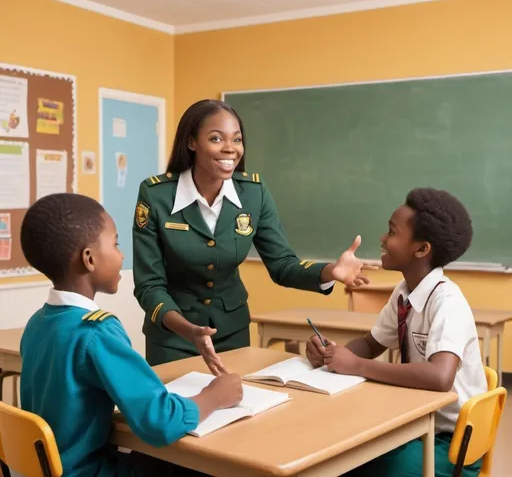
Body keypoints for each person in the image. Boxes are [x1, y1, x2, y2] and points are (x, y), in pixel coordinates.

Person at [133, 99, 373, 371]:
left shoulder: (253, 193)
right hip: (173, 337)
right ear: (191, 143)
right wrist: (188, 329)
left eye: (237, 140)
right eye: (216, 138)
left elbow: (282, 265)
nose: (230, 149)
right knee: (178, 410)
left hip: (232, 335)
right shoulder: (156, 196)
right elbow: (149, 286)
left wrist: (330, 270)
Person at [19, 193, 242, 477]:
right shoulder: (96, 332)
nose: (122, 254)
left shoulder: (39, 322)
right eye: (115, 244)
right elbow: (160, 422)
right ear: (89, 259)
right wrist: (214, 396)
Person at [306, 188, 487, 476]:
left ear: (421, 249)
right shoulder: (404, 292)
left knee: (367, 467)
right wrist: (331, 354)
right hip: (415, 425)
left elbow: (440, 377)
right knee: (340, 455)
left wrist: (356, 366)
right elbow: (370, 344)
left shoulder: (447, 301)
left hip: (451, 444)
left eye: (392, 232)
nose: (383, 238)